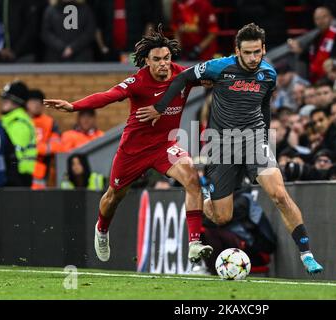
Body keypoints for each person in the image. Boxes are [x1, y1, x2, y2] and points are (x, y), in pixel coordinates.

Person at [137, 23, 324, 274]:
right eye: (247, 53)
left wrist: (266, 137)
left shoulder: (268, 74)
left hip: (254, 141)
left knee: (279, 194)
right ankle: (202, 203)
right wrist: (160, 107)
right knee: (222, 216)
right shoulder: (219, 67)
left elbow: (265, 105)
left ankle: (306, 253)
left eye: (257, 52)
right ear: (237, 51)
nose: (253, 58)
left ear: (264, 49)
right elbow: (182, 77)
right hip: (222, 146)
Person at [44, 26, 213, 264]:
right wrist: (74, 106)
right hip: (133, 150)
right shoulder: (137, 82)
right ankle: (102, 228)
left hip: (165, 146)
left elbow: (210, 75)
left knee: (192, 179)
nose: (163, 64)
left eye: (167, 58)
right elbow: (107, 96)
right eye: (157, 60)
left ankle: (195, 243)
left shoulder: (181, 75)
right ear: (146, 61)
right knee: (114, 196)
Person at [287, 6, 336, 83]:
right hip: (315, 79)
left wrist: (334, 61)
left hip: (333, 78)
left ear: (331, 17)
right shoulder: (316, 38)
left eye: (324, 17)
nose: (321, 21)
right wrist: (300, 51)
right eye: (317, 18)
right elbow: (310, 58)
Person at [0, 81, 37, 187]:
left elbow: (13, 156)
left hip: (17, 179)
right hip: (13, 176)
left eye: (8, 99)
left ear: (17, 102)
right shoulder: (9, 121)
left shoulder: (19, 123)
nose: (4, 102)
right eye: (4, 99)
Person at [26, 89, 63, 189]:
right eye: (33, 101)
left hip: (42, 169)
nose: (36, 105)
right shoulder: (21, 121)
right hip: (23, 169)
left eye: (39, 102)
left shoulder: (49, 122)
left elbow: (57, 146)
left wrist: (35, 149)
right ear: (27, 103)